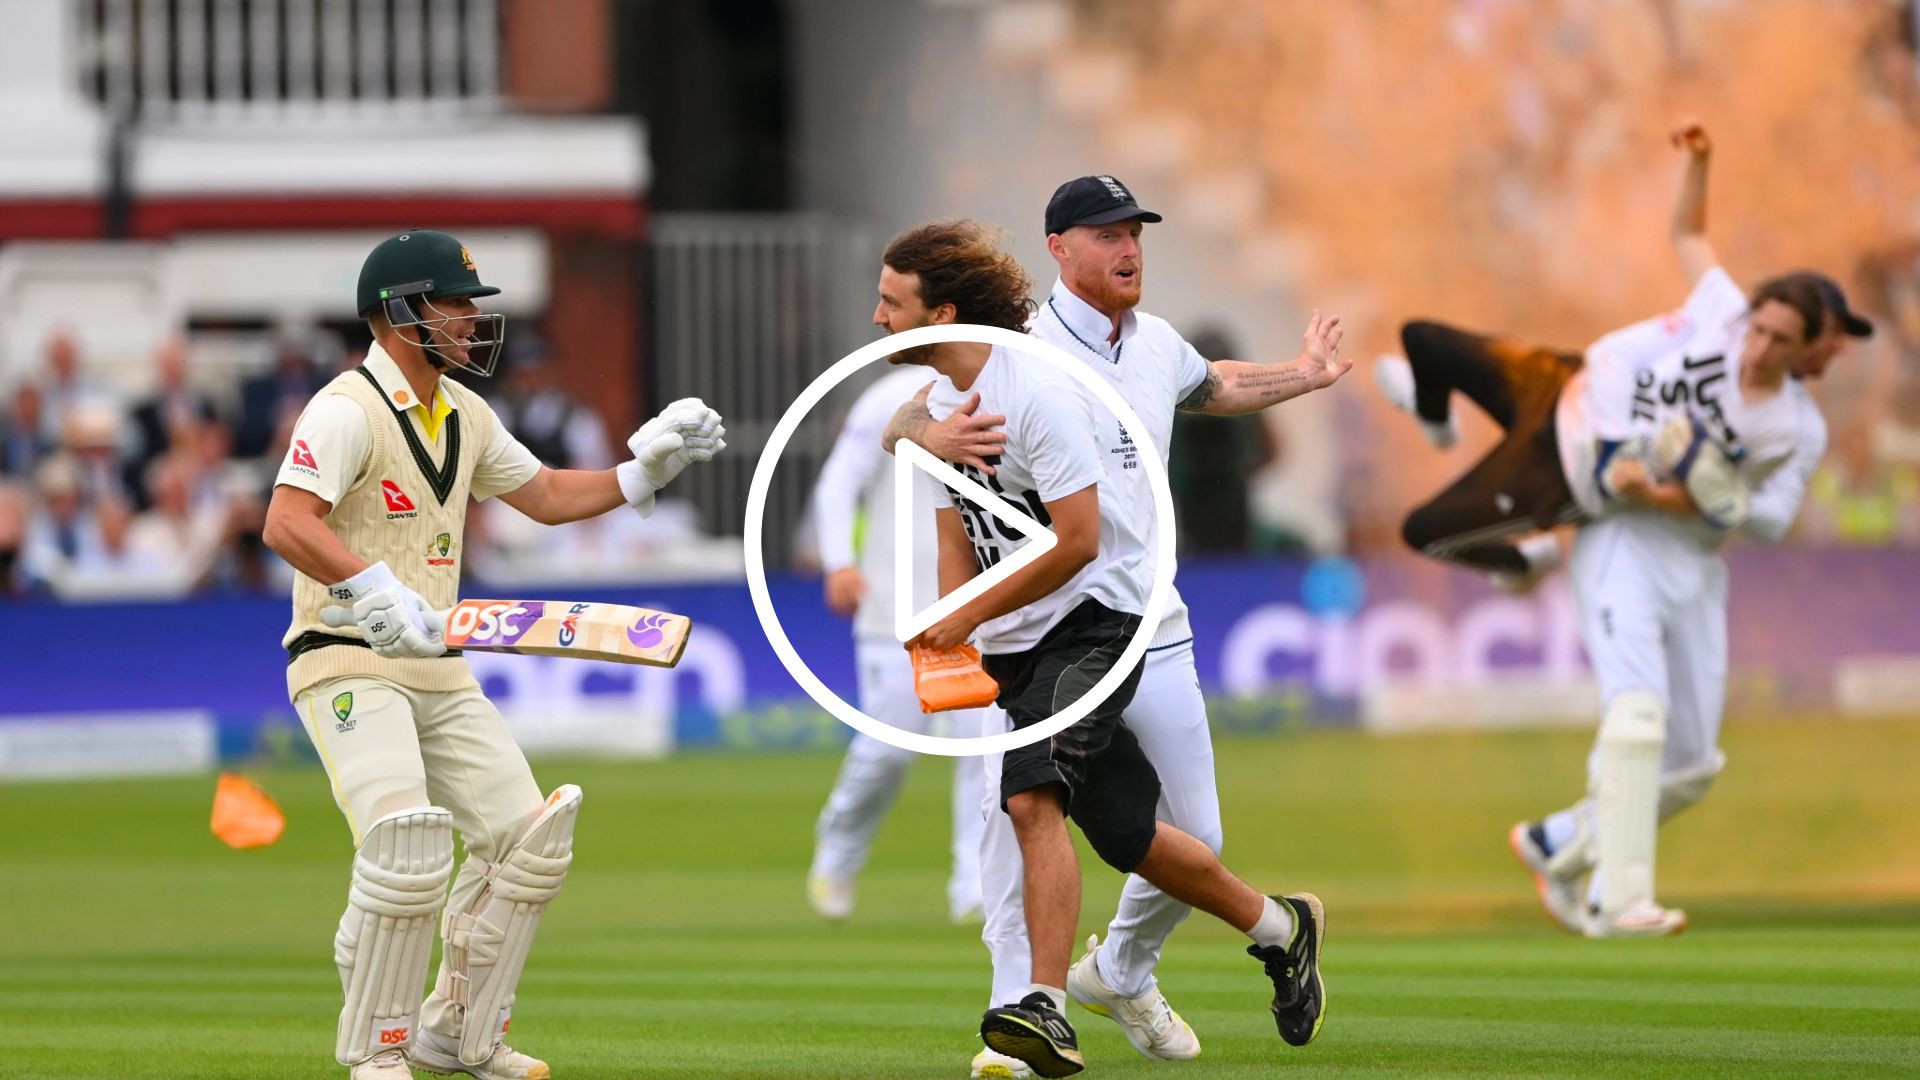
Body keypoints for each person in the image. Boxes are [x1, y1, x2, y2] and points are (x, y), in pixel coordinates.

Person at [886, 178, 1349, 1078]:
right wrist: (916, 436)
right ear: (1060, 248)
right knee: (1020, 812)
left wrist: (1306, 375)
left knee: (1186, 838)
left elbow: (1215, 387)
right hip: (1034, 627)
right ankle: (1017, 1027)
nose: (1128, 246)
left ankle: (1123, 972)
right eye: (1106, 234)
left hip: (1145, 621)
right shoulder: (1022, 343)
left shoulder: (1158, 344)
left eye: (1135, 231)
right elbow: (918, 408)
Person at [1373, 122, 1870, 935]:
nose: (1760, 349)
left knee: (1692, 765)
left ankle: (1558, 841)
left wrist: (1689, 496)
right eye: (1760, 329)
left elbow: (1770, 521)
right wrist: (1702, 162)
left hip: (1693, 565)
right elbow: (1688, 232)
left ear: (1811, 348)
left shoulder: (1794, 428)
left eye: (1783, 341)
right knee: (1637, 715)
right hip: (1618, 544)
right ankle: (1619, 898)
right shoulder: (1718, 313)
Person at [261, 229, 726, 1080]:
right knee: (406, 846)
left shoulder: (464, 412)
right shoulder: (345, 408)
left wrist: (637, 474)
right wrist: (372, 587)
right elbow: (286, 522)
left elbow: (543, 494)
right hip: (346, 655)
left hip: (439, 658)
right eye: (454, 304)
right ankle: (378, 1050)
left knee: (528, 842)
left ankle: (457, 1032)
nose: (473, 321)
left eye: (473, 306)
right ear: (400, 313)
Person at [805, 363, 988, 924]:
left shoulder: (1008, 388)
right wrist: (839, 561)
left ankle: (974, 889)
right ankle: (838, 854)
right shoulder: (888, 395)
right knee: (887, 751)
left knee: (984, 753)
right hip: (893, 608)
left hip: (982, 608)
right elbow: (839, 482)